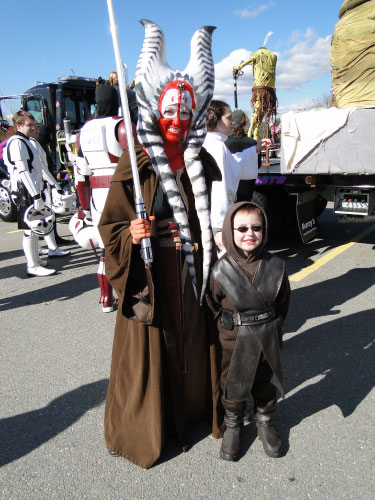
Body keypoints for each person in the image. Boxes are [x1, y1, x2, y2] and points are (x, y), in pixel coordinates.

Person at [98, 20, 223, 469]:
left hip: (192, 270)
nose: (177, 120)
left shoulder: (203, 159)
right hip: (149, 273)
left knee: (191, 341)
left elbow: (217, 216)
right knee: (155, 343)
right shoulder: (137, 162)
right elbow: (109, 224)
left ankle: (192, 411)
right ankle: (151, 425)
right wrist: (130, 234)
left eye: (185, 113)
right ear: (155, 108)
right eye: (171, 112)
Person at [206, 201, 290, 461]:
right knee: (232, 383)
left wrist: (275, 328)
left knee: (264, 382)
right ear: (230, 233)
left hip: (266, 336)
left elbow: (283, 303)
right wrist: (228, 329)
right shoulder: (220, 270)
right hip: (233, 340)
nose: (249, 233)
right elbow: (212, 304)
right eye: (241, 228)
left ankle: (264, 421)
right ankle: (233, 424)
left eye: (257, 227)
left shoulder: (276, 266)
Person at [69, 80, 129, 312]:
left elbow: (80, 173)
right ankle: (128, 296)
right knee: (128, 242)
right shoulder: (121, 125)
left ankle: (106, 298)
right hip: (123, 191)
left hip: (96, 195)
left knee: (105, 247)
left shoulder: (84, 130)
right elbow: (137, 161)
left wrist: (84, 207)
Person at [3, 111, 70, 277]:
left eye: (34, 124)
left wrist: (55, 185)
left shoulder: (27, 142)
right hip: (24, 192)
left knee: (34, 228)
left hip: (31, 190)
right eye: (29, 125)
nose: (34, 128)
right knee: (29, 229)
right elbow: (23, 172)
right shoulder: (17, 143)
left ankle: (35, 262)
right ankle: (32, 265)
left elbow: (39, 169)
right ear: (19, 126)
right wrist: (35, 196)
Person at [203, 100, 270, 251]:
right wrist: (220, 226)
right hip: (217, 219)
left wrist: (256, 149)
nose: (232, 122)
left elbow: (235, 163)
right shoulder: (215, 146)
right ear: (215, 120)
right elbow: (218, 186)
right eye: (228, 118)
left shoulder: (217, 143)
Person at [233, 45, 277, 141]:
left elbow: (247, 61)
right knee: (261, 110)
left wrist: (237, 67)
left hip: (260, 89)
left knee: (258, 109)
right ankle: (254, 131)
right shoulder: (273, 56)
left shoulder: (257, 55)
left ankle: (252, 132)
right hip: (268, 90)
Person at [225, 109, 260, 202]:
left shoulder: (224, 142)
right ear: (244, 125)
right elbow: (258, 164)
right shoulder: (253, 143)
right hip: (247, 184)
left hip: (230, 182)